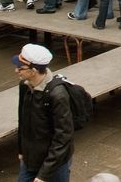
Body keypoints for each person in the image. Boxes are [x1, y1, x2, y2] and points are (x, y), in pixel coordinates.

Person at [13, 43, 75, 182]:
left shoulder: (58, 95)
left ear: (33, 70)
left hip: (55, 162)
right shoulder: (25, 86)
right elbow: (22, 120)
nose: (16, 71)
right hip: (31, 158)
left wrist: (44, 175)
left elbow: (63, 137)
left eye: (20, 68)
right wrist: (21, 150)